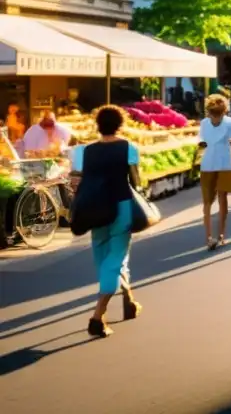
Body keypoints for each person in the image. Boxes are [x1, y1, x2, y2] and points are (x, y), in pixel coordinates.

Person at [72, 106, 143, 338]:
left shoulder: (85, 151)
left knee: (103, 255)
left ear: (98, 124)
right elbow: (136, 180)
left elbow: (77, 180)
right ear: (120, 125)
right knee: (116, 258)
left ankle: (129, 300)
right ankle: (97, 316)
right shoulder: (128, 148)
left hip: (94, 209)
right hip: (121, 206)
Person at [198, 94, 231, 250]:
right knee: (208, 201)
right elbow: (202, 141)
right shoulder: (206, 123)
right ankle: (210, 237)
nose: (215, 118)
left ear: (224, 112)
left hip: (222, 164)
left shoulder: (229, 123)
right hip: (211, 164)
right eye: (213, 114)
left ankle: (220, 234)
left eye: (218, 115)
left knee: (221, 198)